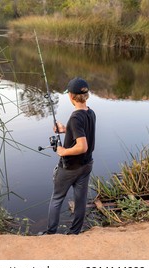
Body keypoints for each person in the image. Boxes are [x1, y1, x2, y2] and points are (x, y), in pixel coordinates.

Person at [45, 77, 96, 235]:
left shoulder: (75, 117)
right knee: (80, 200)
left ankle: (51, 233)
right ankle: (75, 232)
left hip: (70, 167)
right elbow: (82, 132)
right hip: (86, 165)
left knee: (57, 198)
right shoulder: (90, 112)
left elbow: (82, 146)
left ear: (71, 96)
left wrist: (63, 151)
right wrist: (64, 129)